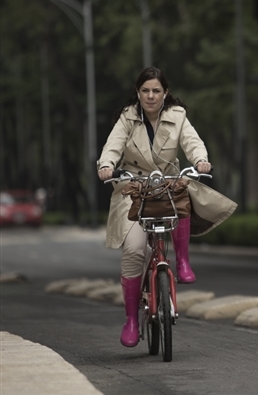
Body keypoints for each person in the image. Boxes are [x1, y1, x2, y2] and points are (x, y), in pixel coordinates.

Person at [97, 67, 236, 347]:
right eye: (145, 90)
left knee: (181, 191)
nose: (150, 96)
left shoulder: (177, 116)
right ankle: (132, 320)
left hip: (167, 183)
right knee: (135, 250)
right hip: (134, 188)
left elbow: (193, 142)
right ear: (138, 93)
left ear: (165, 93)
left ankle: (182, 261)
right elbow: (112, 146)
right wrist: (106, 165)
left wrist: (200, 161)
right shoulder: (127, 117)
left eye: (156, 91)